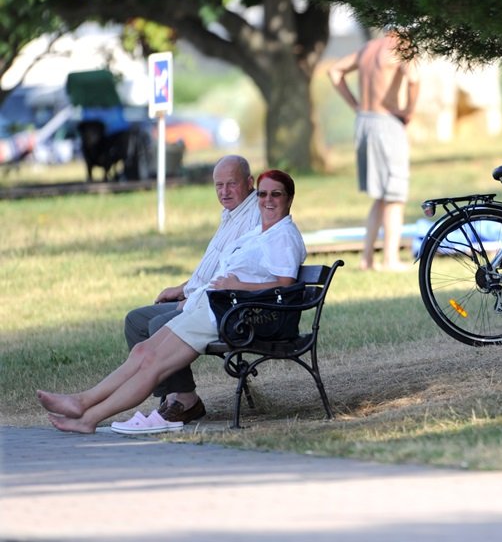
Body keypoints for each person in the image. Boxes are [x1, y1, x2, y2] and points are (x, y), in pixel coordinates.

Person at [37, 170, 306, 434]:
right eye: (262, 194)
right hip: (209, 305)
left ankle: (90, 418)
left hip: (228, 313)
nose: (267, 200)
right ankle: (81, 402)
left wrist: (239, 286)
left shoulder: (284, 235)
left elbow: (286, 286)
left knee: (154, 363)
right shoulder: (261, 232)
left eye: (276, 194)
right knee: (143, 352)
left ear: (289, 198)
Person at [121, 155, 259, 426]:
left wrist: (194, 296)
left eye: (231, 184)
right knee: (136, 321)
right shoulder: (231, 214)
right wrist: (183, 288)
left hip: (225, 307)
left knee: (160, 323)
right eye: (219, 186)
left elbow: (232, 275)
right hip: (198, 296)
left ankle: (184, 401)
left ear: (249, 182)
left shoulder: (254, 216)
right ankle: (174, 396)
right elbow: (212, 268)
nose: (224, 192)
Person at [328, 27, 420, 271]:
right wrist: (409, 111)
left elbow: (334, 70)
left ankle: (367, 259)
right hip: (385, 123)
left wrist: (356, 106)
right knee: (395, 195)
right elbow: (413, 79)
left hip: (364, 121)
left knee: (380, 195)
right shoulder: (400, 48)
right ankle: (390, 259)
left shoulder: (369, 48)